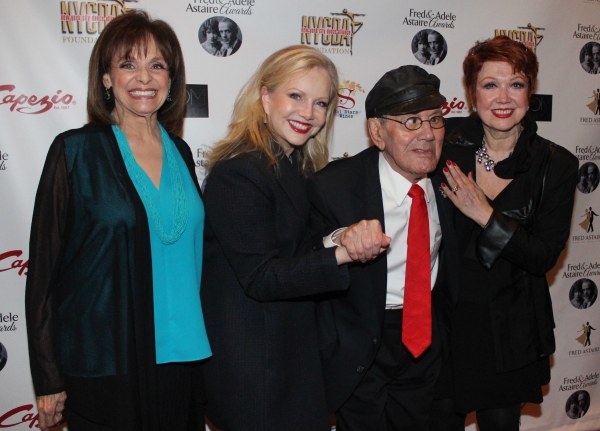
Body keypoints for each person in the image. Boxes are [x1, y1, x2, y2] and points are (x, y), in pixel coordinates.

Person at [25, 11, 211, 431]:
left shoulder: (181, 152)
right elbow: (42, 277)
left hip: (184, 361)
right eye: (127, 64)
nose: (143, 77)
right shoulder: (75, 153)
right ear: (107, 78)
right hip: (106, 366)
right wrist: (48, 377)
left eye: (156, 65)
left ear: (171, 80)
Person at [200, 45, 382, 431]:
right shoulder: (240, 172)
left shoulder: (294, 165)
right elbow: (262, 277)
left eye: (320, 103)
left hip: (289, 356)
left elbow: (300, 245)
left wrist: (339, 236)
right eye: (295, 96)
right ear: (265, 97)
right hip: (253, 367)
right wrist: (344, 253)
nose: (308, 113)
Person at [431, 35, 578, 430]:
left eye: (516, 84)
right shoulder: (444, 144)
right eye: (490, 84)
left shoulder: (556, 164)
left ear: (530, 92)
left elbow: (543, 255)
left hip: (510, 329)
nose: (503, 98)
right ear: (471, 92)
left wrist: (484, 214)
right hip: (444, 322)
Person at [307, 65, 460, 431]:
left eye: (435, 120)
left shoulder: (452, 179)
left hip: (424, 338)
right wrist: (340, 239)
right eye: (410, 121)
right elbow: (304, 256)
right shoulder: (334, 186)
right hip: (359, 341)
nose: (427, 134)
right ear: (377, 131)